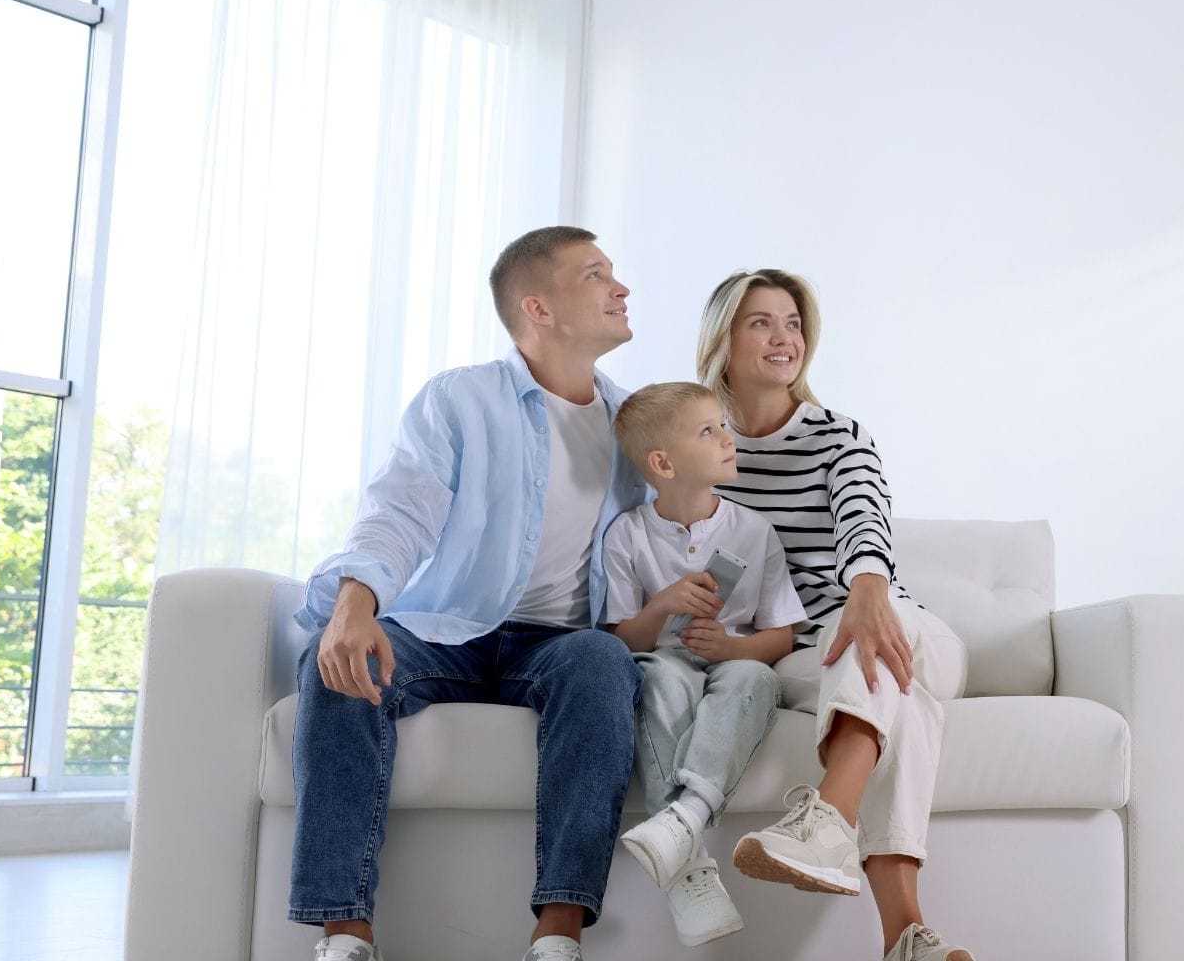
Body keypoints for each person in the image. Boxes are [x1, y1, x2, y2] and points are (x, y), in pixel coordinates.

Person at [290, 226, 645, 961]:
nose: (621, 288)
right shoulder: (460, 399)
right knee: (339, 665)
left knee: (602, 663)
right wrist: (355, 601)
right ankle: (344, 935)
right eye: (595, 275)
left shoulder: (635, 424)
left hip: (560, 645)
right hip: (448, 629)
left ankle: (557, 936)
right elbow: (400, 511)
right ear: (538, 308)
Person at [698, 270, 975, 961]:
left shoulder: (837, 435)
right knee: (899, 698)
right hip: (800, 654)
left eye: (792, 323)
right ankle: (906, 939)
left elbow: (863, 514)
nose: (783, 337)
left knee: (871, 636)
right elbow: (705, 558)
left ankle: (828, 819)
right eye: (761, 322)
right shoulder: (703, 447)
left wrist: (869, 583)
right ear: (723, 339)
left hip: (903, 626)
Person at [600, 380, 805, 947]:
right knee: (660, 680)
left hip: (736, 658)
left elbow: (781, 636)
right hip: (662, 660)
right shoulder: (627, 535)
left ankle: (686, 816)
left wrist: (731, 649)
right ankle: (690, 872)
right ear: (663, 464)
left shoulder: (754, 531)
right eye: (709, 431)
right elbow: (621, 640)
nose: (728, 439)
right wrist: (661, 605)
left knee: (753, 678)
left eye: (723, 426)